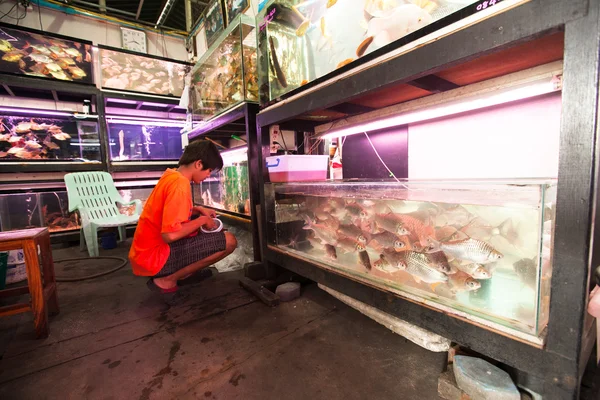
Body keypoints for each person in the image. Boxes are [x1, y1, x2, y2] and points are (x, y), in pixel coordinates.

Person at [128, 140, 237, 303]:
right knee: (228, 241)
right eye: (209, 170)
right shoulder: (180, 185)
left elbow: (168, 212)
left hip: (143, 254)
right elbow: (169, 235)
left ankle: (185, 273)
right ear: (199, 164)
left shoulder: (171, 176)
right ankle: (167, 279)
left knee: (198, 225)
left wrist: (198, 210)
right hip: (154, 257)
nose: (208, 175)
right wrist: (202, 220)